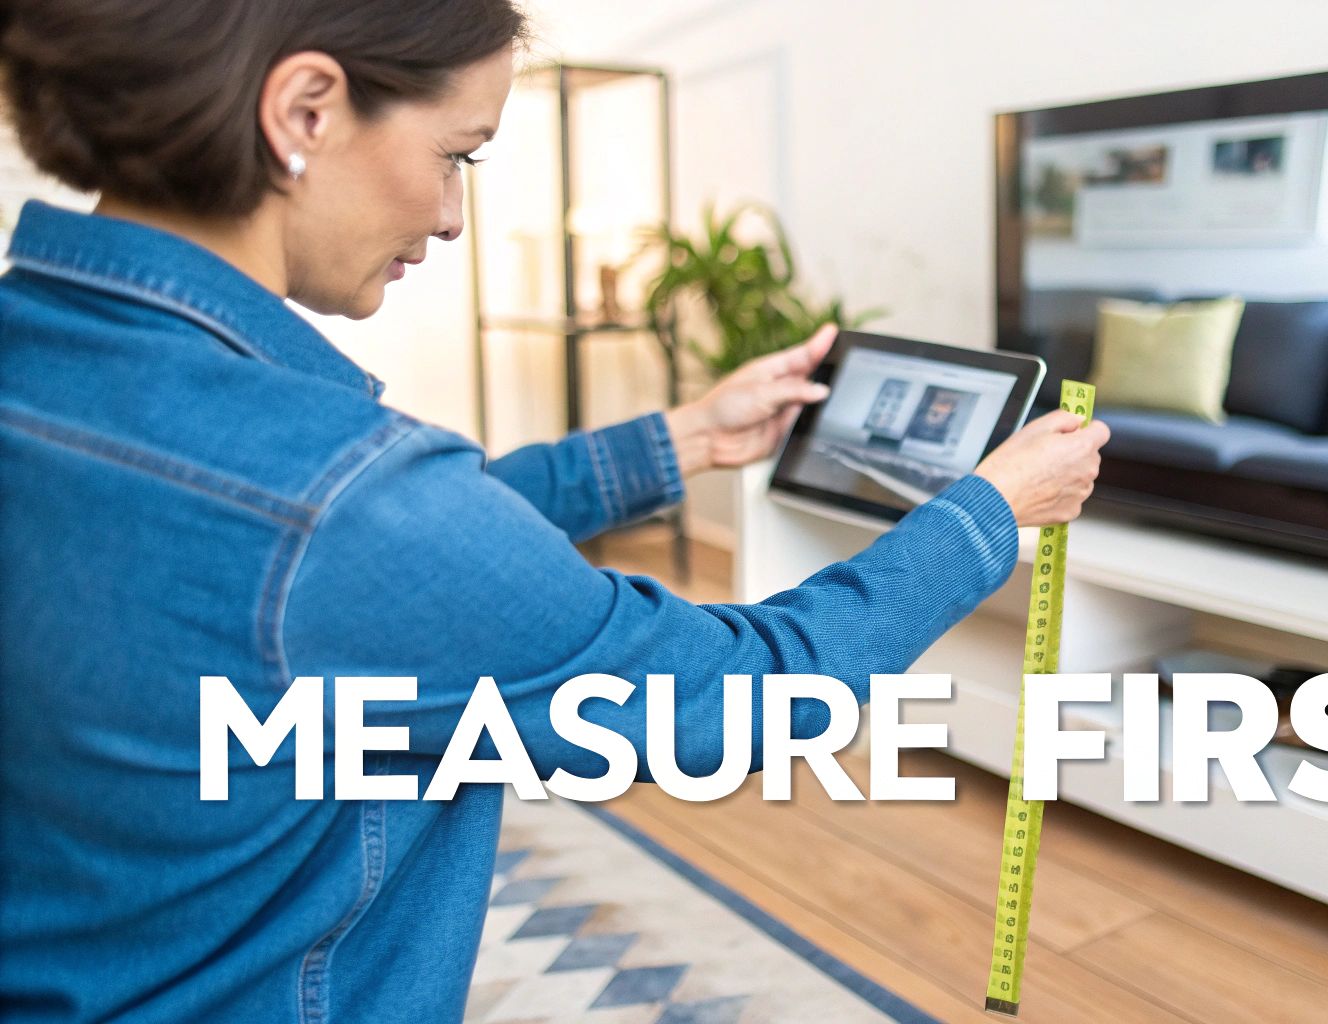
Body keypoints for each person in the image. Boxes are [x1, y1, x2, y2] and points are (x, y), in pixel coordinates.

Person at [0, 2, 1110, 1022]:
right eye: (455, 155)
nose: (450, 216)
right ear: (303, 111)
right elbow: (746, 700)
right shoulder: (337, 503)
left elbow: (351, 571)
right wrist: (985, 516)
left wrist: (673, 443)